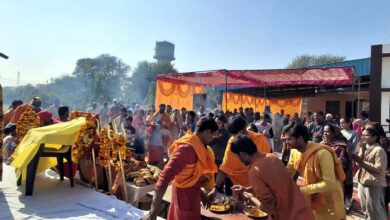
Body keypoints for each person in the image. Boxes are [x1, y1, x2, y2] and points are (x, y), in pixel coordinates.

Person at [143, 116, 219, 220]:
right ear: (207, 132)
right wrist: (153, 213)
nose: (212, 140)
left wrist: (201, 193)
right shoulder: (186, 149)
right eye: (213, 136)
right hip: (183, 199)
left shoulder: (198, 147)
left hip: (193, 197)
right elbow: (164, 177)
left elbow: (192, 175)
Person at [230, 135, 314, 220]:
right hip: (305, 212)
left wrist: (251, 197)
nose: (238, 160)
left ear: (242, 154)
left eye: (237, 157)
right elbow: (277, 186)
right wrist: (247, 189)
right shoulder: (272, 157)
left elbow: (269, 209)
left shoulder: (254, 171)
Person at [284, 123, 346, 220]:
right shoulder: (294, 151)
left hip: (329, 202)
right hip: (311, 196)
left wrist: (301, 190)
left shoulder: (322, 153)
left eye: (289, 139)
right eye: (286, 139)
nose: (286, 143)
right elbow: (288, 171)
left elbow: (329, 184)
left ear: (300, 139)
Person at [212, 116, 269, 195]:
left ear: (244, 129)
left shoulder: (260, 140)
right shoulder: (232, 141)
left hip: (258, 191)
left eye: (237, 134)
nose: (235, 137)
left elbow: (266, 171)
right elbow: (225, 168)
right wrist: (215, 188)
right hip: (239, 190)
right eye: (233, 135)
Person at [352, 127, 387, 220]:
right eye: (362, 134)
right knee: (365, 209)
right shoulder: (363, 146)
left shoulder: (379, 150)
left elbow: (379, 169)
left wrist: (362, 162)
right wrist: (358, 158)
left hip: (373, 183)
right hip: (362, 181)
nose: (363, 136)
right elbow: (359, 161)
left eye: (366, 135)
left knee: (374, 210)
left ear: (375, 137)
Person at [321, 124, 353, 210]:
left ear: (334, 133)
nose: (325, 134)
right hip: (321, 177)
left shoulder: (341, 146)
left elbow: (344, 162)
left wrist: (327, 160)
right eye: (324, 131)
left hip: (335, 178)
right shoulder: (320, 144)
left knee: (335, 205)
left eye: (327, 131)